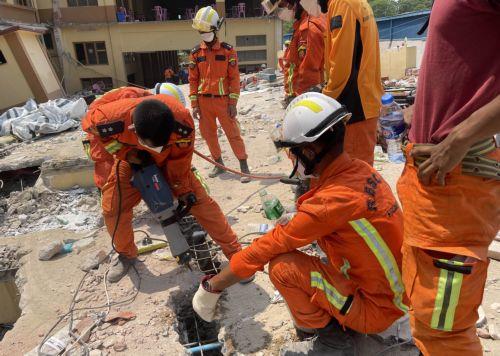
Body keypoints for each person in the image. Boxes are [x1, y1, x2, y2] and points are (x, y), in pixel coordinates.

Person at [192, 93, 408, 354]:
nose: (292, 159)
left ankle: (332, 342)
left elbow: (265, 249)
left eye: (293, 152)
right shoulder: (361, 171)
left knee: (284, 268)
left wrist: (212, 286)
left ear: (309, 151)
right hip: (397, 293)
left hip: (378, 311)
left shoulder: (329, 203)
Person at [396, 2, 500, 355]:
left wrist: (459, 138)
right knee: (428, 315)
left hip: (455, 178)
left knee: (444, 331)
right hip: (435, 178)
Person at [81, 87, 243, 283]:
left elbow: (182, 158)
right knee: (112, 208)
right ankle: (126, 254)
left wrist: (181, 188)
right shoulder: (108, 119)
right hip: (131, 160)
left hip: (171, 159)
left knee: (201, 203)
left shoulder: (182, 121)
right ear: (133, 129)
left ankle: (236, 256)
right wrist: (126, 154)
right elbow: (97, 134)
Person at [299, 0, 382, 166]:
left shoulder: (342, 4)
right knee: (359, 170)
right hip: (363, 102)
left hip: (354, 106)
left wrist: (324, 100)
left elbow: (342, 66)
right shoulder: (351, 3)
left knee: (352, 175)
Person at [189, 6, 251, 182]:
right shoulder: (195, 53)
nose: (203, 33)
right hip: (203, 102)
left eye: (206, 30)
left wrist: (233, 103)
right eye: (200, 30)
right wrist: (194, 105)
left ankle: (243, 165)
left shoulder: (228, 51)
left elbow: (234, 78)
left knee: (233, 133)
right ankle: (218, 163)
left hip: (223, 102)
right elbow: (193, 80)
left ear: (215, 28)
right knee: (209, 135)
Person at [262, 0, 326, 106]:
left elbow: (309, 72)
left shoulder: (309, 28)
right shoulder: (302, 25)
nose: (280, 13)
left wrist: (301, 101)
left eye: (281, 6)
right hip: (298, 95)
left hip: (304, 98)